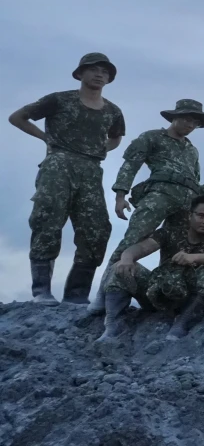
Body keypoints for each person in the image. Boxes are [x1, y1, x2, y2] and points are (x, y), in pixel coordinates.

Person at [12, 53, 126, 304]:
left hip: (91, 169)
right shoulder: (59, 100)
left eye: (105, 72)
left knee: (96, 230)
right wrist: (45, 138)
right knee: (47, 220)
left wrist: (99, 149)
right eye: (94, 69)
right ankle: (41, 291)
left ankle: (76, 296)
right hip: (58, 164)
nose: (99, 75)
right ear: (80, 73)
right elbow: (17, 117)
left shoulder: (113, 110)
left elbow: (116, 137)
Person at [98, 99, 204, 311]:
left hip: (187, 201)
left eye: (195, 122)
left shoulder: (192, 150)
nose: (191, 125)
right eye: (187, 119)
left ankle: (162, 294)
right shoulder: (152, 137)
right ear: (174, 117)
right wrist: (120, 195)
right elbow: (130, 165)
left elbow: (197, 178)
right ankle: (105, 293)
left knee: (176, 246)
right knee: (133, 240)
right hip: (160, 194)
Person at [100, 195, 204, 341]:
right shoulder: (169, 232)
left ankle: (182, 323)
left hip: (188, 298)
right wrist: (126, 258)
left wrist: (193, 257)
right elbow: (142, 247)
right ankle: (112, 324)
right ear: (190, 215)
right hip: (158, 291)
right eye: (201, 216)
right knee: (120, 267)